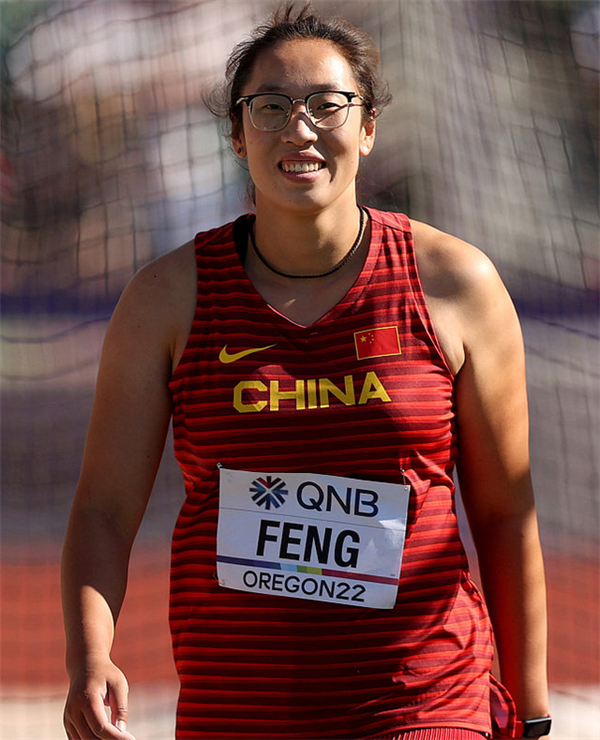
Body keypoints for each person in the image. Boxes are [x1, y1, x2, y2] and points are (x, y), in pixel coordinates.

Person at [61, 3, 551, 739]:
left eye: (328, 104)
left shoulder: (456, 283)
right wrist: (89, 657)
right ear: (237, 135)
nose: (300, 129)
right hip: (237, 709)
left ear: (368, 127)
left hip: (422, 704)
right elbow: (103, 508)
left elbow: (506, 511)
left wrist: (533, 712)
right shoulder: (166, 298)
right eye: (271, 106)